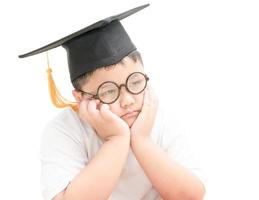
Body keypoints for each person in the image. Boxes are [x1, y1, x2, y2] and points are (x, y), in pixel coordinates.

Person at [19, 4, 205, 200]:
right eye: (108, 91)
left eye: (135, 82)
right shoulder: (65, 129)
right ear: (81, 98)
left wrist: (141, 141)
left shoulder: (158, 118)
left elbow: (191, 195)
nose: (127, 100)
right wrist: (116, 140)